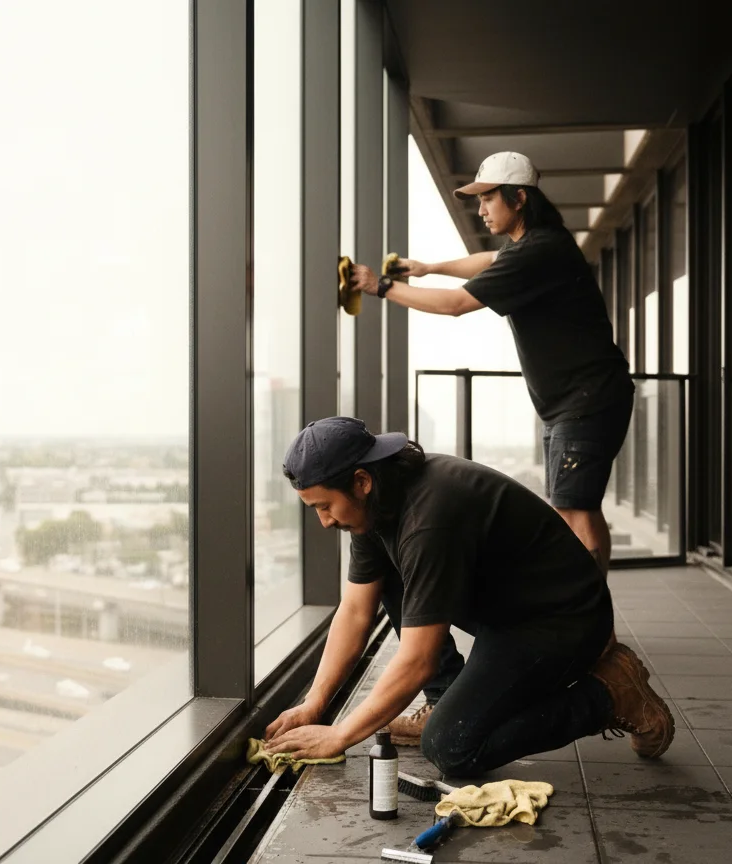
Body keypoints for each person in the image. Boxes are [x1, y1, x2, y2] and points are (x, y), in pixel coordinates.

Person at [263, 417, 673, 775]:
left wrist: (339, 735)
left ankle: (611, 693)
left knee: (451, 748)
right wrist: (314, 704)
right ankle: (444, 702)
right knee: (387, 577)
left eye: (325, 506)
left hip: (562, 621)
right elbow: (355, 611)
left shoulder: (429, 519)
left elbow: (418, 660)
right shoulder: (376, 506)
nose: (324, 521)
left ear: (361, 481)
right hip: (507, 608)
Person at [349, 151, 633, 577]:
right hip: (576, 402)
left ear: (519, 198)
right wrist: (428, 268)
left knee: (576, 512)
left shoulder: (539, 252)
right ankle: (587, 608)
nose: (481, 210)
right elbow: (487, 260)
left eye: (488, 198)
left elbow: (456, 304)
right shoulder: (539, 243)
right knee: (574, 509)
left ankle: (591, 614)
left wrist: (381, 287)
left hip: (587, 402)